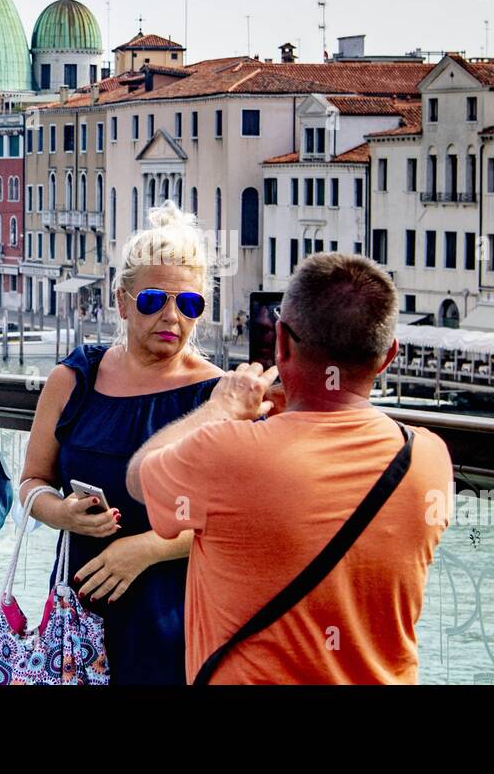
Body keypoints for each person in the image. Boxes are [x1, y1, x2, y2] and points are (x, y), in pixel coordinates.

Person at [126, 252, 454, 684]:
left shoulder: (226, 452)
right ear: (387, 356)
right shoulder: (428, 457)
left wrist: (221, 408)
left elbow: (140, 475)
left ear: (280, 343)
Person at [19, 201, 224, 684]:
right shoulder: (73, 379)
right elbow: (31, 482)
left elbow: (239, 519)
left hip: (176, 616)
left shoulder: (217, 395)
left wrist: (148, 549)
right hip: (78, 616)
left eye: (189, 304)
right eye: (154, 300)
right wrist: (59, 513)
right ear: (122, 302)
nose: (172, 316)